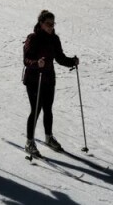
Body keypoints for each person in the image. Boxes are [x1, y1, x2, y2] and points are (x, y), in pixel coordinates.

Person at [22, 10, 78, 158]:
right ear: (41, 23)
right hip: (34, 80)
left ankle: (48, 137)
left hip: (48, 79)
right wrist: (36, 63)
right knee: (36, 110)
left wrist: (72, 61)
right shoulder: (32, 38)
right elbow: (26, 59)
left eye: (53, 24)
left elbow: (59, 58)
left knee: (48, 109)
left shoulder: (54, 39)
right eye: (48, 24)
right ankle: (29, 142)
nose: (51, 27)